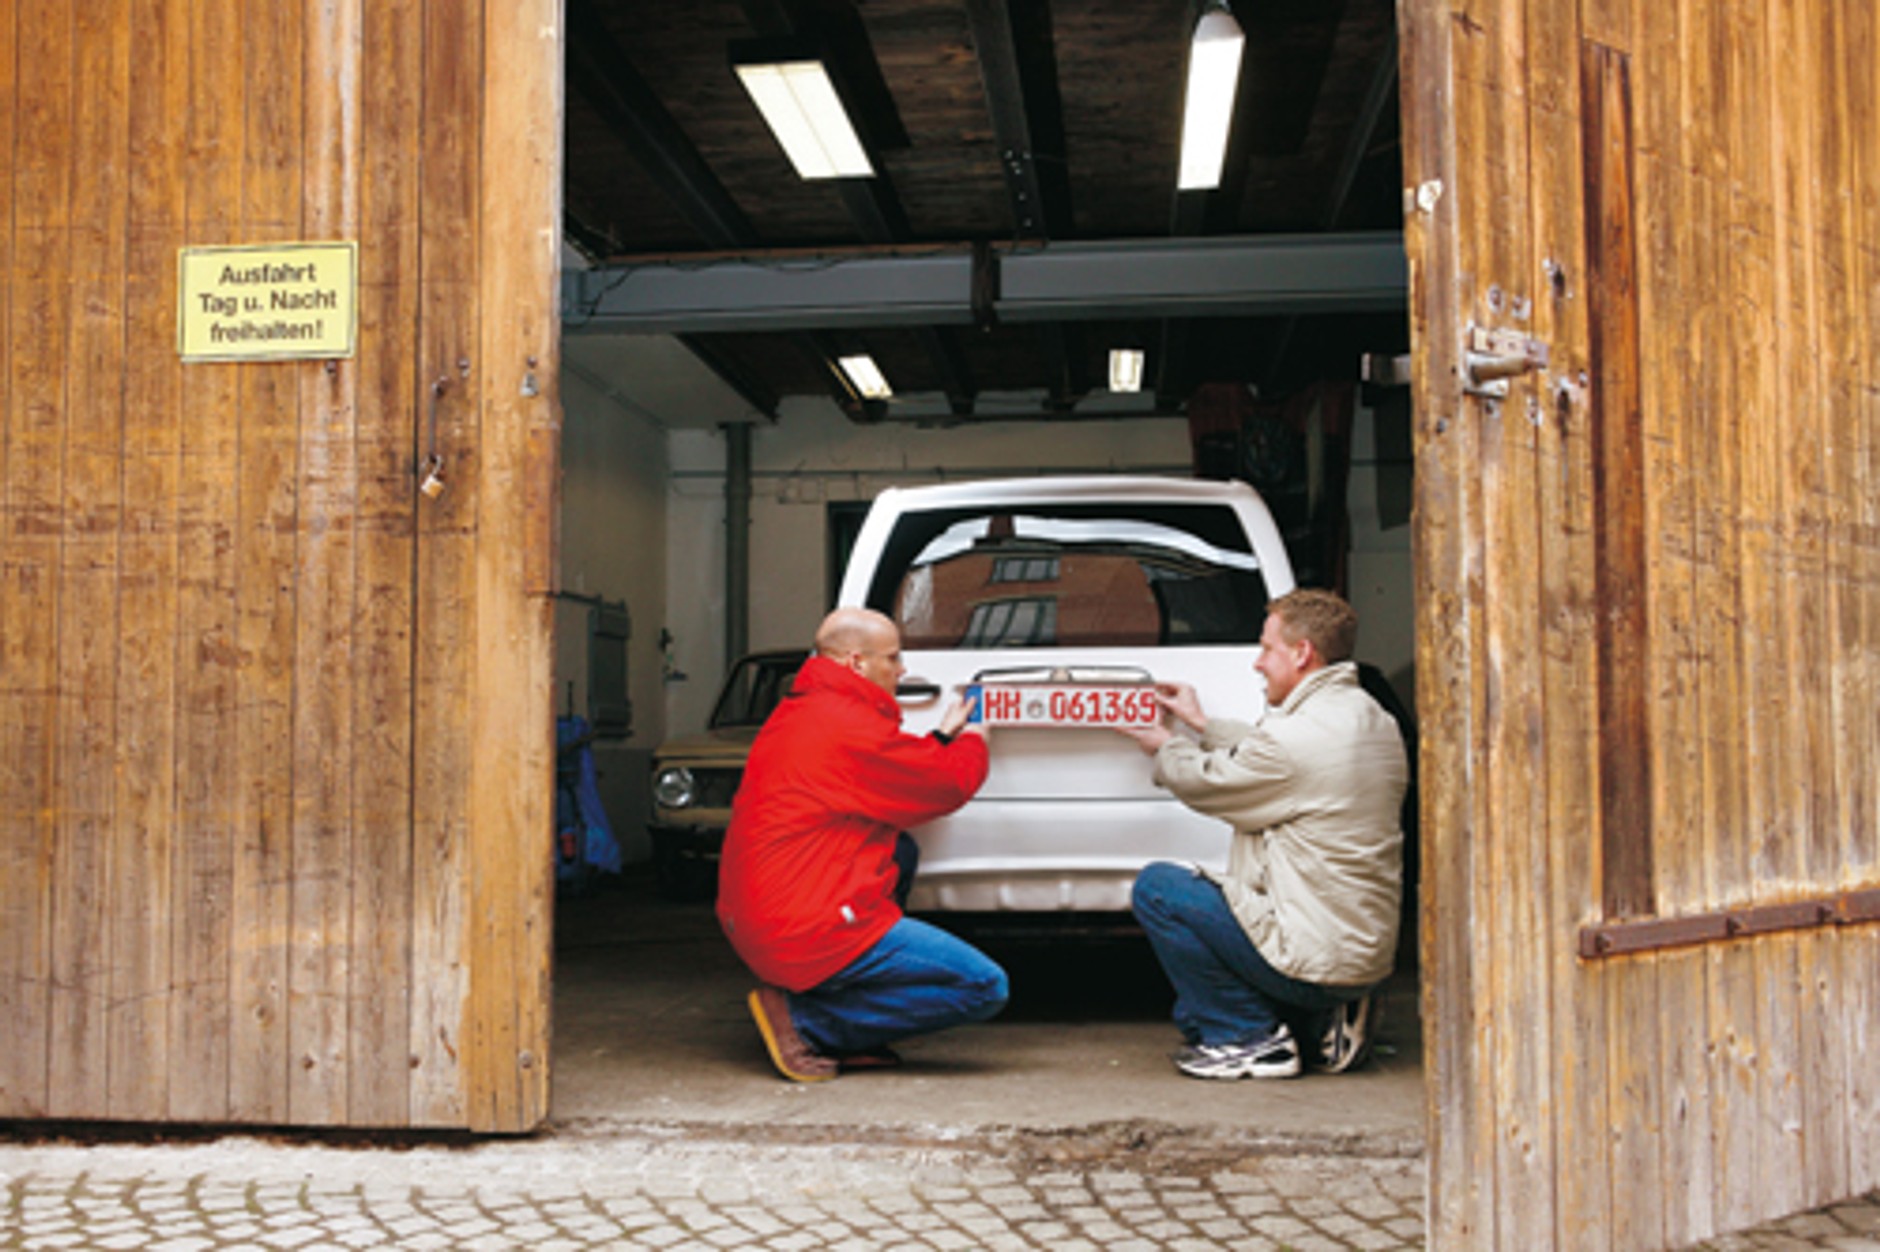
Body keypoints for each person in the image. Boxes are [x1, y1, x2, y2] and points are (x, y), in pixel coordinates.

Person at [1119, 588, 1407, 1080]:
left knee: (1160, 889)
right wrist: (1202, 724)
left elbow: (1210, 782)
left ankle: (1249, 1040)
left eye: (1267, 648)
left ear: (1302, 653)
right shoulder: (1370, 718)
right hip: (1357, 950)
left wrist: (1168, 747)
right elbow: (1284, 756)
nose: (1257, 663)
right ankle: (1323, 1021)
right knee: (1193, 1014)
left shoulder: (1296, 740)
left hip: (1312, 958)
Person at [717, 607, 1009, 1082]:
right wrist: (976, 737)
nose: (902, 669)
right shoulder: (845, 725)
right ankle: (806, 1021)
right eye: (892, 658)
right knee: (984, 986)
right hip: (808, 929)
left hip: (765, 916)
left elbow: (887, 769)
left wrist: (941, 735)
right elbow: (942, 785)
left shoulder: (809, 712)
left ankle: (843, 1019)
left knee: (901, 850)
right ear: (856, 662)